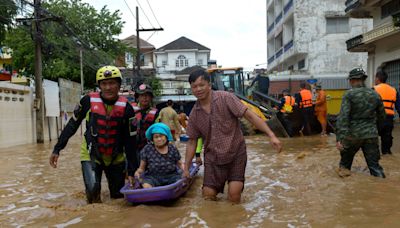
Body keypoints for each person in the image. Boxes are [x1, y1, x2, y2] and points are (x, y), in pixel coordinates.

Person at [183, 69, 282, 203]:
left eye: (202, 85)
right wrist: (186, 168)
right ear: (191, 89)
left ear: (209, 85)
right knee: (208, 195)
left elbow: (250, 116)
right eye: (194, 86)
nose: (198, 89)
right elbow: (192, 142)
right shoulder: (195, 114)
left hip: (236, 154)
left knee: (234, 196)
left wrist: (271, 135)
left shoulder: (226, 98)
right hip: (213, 158)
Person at [49, 66, 136, 203]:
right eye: (104, 84)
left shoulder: (127, 109)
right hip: (91, 154)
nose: (108, 87)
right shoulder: (87, 101)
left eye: (112, 83)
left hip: (116, 157)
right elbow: (72, 125)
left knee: (118, 198)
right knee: (93, 194)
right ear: (99, 86)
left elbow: (131, 141)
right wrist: (57, 148)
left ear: (119, 85)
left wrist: (132, 170)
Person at [336, 68, 386, 178]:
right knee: (375, 167)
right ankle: (382, 188)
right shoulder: (375, 94)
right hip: (371, 135)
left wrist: (340, 138)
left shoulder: (349, 95)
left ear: (352, 80)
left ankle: (346, 193)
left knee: (344, 167)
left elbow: (343, 118)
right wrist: (374, 130)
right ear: (363, 79)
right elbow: (382, 117)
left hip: (352, 135)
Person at [134, 123, 183, 188]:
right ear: (152, 139)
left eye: (161, 136)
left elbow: (180, 164)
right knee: (146, 186)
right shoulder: (147, 149)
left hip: (172, 176)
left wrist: (185, 171)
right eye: (156, 137)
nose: (159, 139)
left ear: (166, 137)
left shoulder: (172, 148)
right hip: (153, 177)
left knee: (179, 183)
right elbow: (141, 168)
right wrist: (138, 172)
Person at [130, 83, 159, 165]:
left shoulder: (156, 113)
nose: (145, 98)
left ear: (151, 97)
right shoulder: (130, 109)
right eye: (142, 95)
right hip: (132, 147)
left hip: (149, 148)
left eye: (147, 95)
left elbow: (158, 132)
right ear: (137, 97)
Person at [374, 70, 400, 155]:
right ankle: (387, 154)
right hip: (389, 119)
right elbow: (399, 107)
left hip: (376, 118)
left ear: (377, 79)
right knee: (387, 141)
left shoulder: (374, 89)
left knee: (373, 140)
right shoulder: (394, 90)